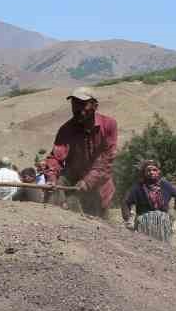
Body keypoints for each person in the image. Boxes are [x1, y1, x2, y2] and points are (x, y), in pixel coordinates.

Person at [41, 87, 119, 219]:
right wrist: (51, 178)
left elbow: (106, 160)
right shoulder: (66, 129)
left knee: (99, 223)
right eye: (74, 104)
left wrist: (87, 181)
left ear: (95, 106)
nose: (77, 108)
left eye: (82, 104)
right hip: (73, 180)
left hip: (99, 187)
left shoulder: (109, 125)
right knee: (56, 189)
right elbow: (56, 158)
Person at [122, 159, 176, 242]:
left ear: (158, 172)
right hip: (143, 223)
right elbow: (126, 202)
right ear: (144, 172)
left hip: (163, 223)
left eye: (154, 170)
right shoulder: (138, 187)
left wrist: (174, 213)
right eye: (148, 170)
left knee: (165, 248)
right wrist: (129, 220)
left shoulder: (165, 185)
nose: (151, 172)